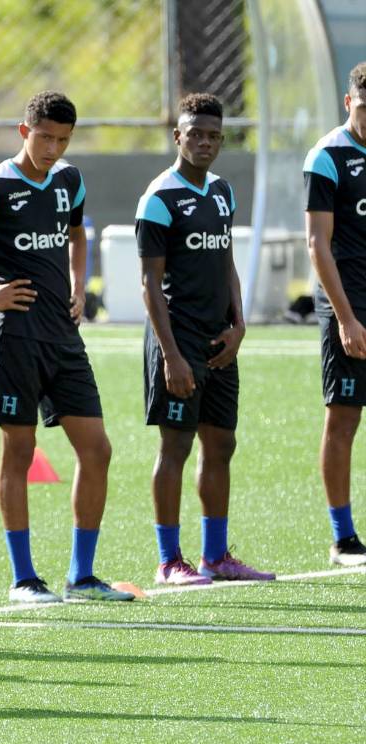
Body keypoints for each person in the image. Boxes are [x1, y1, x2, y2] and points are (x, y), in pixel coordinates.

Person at [0, 91, 131, 604]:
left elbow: (78, 234)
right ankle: (24, 579)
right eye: (44, 137)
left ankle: (81, 577)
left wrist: (80, 286)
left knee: (97, 449)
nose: (52, 149)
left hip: (63, 336)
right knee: (20, 450)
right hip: (14, 338)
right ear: (23, 131)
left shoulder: (69, 180)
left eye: (63, 140)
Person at [136, 93, 273, 584]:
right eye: (195, 134)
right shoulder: (159, 198)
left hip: (220, 341)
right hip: (178, 341)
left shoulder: (222, 192)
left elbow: (226, 262)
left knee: (222, 443)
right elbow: (149, 283)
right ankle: (169, 560)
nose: (205, 142)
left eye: (214, 135)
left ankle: (216, 556)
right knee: (175, 446)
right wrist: (171, 356)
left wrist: (239, 324)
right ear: (178, 136)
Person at [304, 61, 366, 567]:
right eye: (365, 108)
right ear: (349, 103)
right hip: (349, 304)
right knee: (344, 417)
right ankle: (343, 538)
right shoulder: (327, 156)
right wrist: (345, 318)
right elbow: (317, 244)